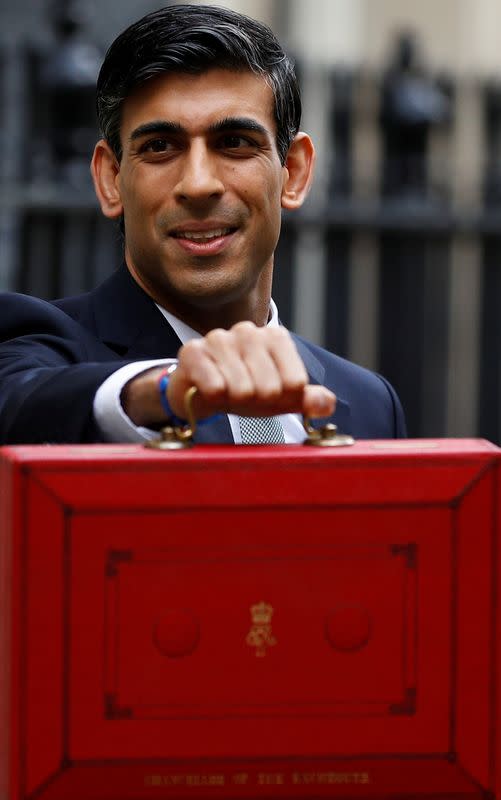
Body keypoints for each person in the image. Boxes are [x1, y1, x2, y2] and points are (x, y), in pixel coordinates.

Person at [0, 4, 406, 445]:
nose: (198, 184)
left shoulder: (371, 404)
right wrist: (163, 389)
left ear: (295, 171)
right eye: (160, 147)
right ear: (110, 179)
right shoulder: (37, 346)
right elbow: (16, 401)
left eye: (234, 143)